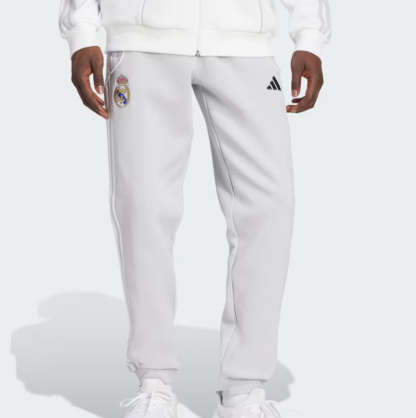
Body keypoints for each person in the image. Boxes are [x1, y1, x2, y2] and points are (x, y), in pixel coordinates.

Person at [59, 1, 331, 417]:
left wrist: (309, 36)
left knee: (269, 206)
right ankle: (154, 382)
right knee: (142, 206)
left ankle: (245, 389)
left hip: (245, 41)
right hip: (142, 39)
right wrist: (81, 32)